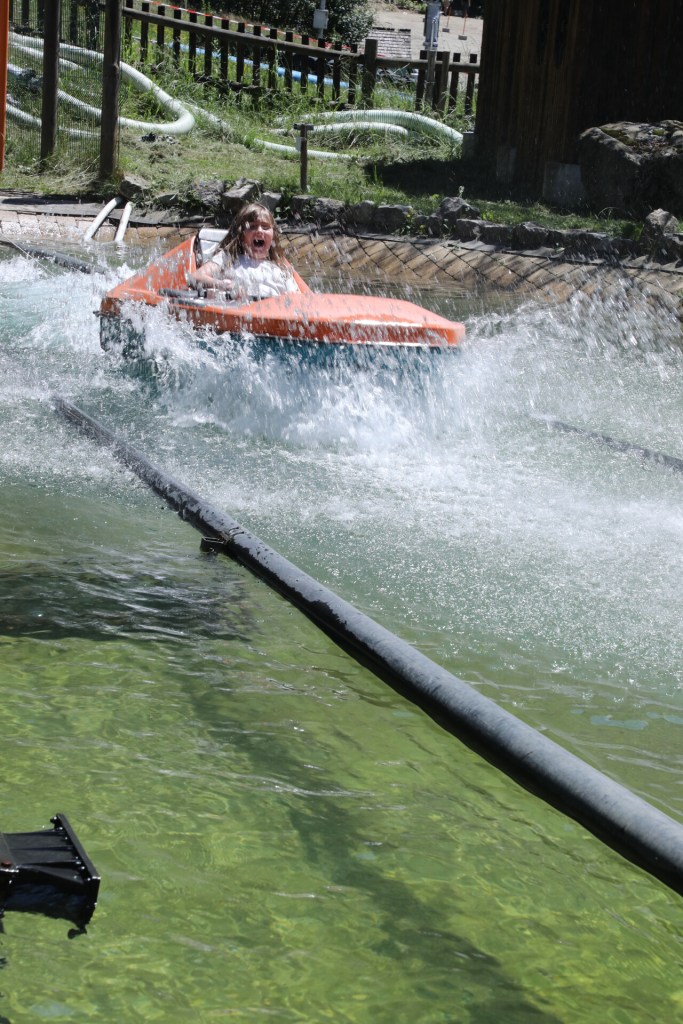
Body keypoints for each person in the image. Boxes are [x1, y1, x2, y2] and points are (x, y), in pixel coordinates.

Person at [191, 202, 301, 300]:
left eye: (265, 227)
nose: (259, 231)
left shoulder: (280, 266)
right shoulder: (228, 258)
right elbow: (194, 277)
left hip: (273, 311)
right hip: (239, 310)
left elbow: (299, 297)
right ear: (240, 234)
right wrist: (223, 285)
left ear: (273, 235)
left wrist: (291, 298)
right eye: (252, 227)